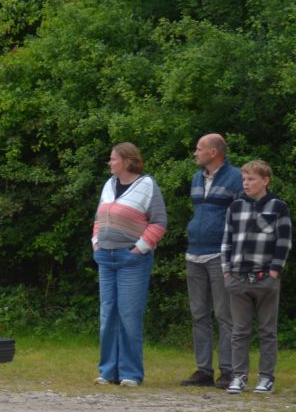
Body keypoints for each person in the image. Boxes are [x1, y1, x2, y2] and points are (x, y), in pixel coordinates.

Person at [92, 142, 167, 386]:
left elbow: (158, 222)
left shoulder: (147, 185)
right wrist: (96, 242)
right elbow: (99, 217)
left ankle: (130, 373)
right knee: (108, 314)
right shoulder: (108, 185)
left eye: (113, 159)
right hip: (105, 257)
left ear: (126, 161)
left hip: (131, 260)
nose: (110, 163)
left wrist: (139, 249)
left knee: (129, 315)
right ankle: (108, 371)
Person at [221, 160, 291, 394]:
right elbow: (227, 239)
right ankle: (239, 376)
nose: (246, 183)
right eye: (244, 179)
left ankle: (266, 377)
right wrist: (226, 269)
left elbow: (283, 241)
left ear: (265, 181)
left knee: (267, 331)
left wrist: (275, 270)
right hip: (238, 276)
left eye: (251, 179)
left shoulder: (278, 207)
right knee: (239, 330)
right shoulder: (236, 206)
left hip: (265, 277)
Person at [180, 134, 243, 388]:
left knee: (224, 314)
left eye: (199, 149)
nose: (195, 153)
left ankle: (227, 370)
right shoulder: (197, 178)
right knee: (198, 313)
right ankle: (203, 370)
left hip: (220, 254)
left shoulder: (236, 178)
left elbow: (243, 216)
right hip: (194, 253)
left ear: (214, 152)